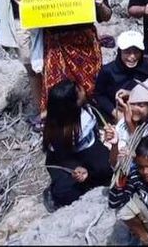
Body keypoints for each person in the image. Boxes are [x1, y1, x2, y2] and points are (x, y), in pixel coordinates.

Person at [41, 0, 112, 112]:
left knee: (90, 83)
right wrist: (22, 0)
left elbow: (106, 17)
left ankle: (93, 115)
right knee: (58, 86)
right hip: (57, 45)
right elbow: (32, 16)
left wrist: (100, 3)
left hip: (85, 43)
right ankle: (60, 122)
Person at [42, 79, 111, 208]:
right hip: (65, 160)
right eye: (79, 90)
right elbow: (62, 157)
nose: (83, 90)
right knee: (65, 192)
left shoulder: (87, 108)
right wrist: (76, 168)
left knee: (107, 169)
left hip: (89, 150)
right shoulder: (59, 130)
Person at [94, 30, 148, 120]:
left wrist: (131, 94)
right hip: (117, 114)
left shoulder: (147, 66)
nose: (132, 57)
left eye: (136, 52)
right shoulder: (108, 71)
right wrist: (115, 113)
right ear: (120, 52)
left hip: (143, 114)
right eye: (127, 52)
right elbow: (99, 95)